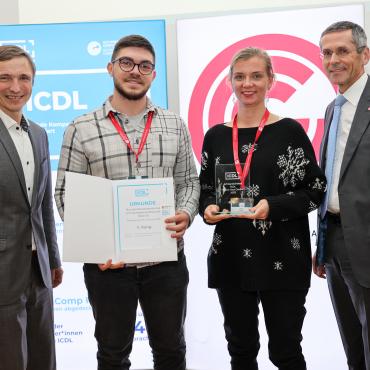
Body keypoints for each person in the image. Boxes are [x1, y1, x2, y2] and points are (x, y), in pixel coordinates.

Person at [55, 34, 199, 370]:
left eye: (145, 65)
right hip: (108, 267)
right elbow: (65, 195)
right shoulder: (81, 128)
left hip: (166, 263)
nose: (135, 71)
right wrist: (96, 247)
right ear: (111, 68)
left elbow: (188, 181)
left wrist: (185, 214)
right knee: (112, 354)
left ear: (153, 74)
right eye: (127, 63)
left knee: (171, 351)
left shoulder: (174, 123)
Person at [199, 47, 326, 370]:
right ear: (229, 81)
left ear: (272, 79)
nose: (248, 83)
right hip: (232, 258)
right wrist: (208, 208)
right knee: (241, 353)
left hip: (283, 254)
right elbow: (205, 188)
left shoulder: (290, 132)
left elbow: (315, 190)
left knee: (285, 353)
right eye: (239, 77)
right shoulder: (215, 136)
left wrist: (273, 205)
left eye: (256, 76)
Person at [0, 45, 63, 370]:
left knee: (42, 358)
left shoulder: (38, 134)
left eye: (23, 78)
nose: (15, 87)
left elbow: (41, 205)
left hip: (38, 272)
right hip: (2, 271)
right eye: (5, 78)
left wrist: (52, 257)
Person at [313, 21, 370, 370]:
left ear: (365, 55)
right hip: (333, 243)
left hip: (365, 243)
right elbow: (330, 182)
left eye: (343, 51)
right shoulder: (333, 108)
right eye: (327, 52)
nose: (334, 59)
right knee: (352, 344)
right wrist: (321, 245)